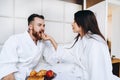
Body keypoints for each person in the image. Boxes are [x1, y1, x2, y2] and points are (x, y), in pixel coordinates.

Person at [42, 10, 120, 80]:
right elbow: (67, 53)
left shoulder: (95, 43)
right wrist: (51, 39)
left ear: (82, 22)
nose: (72, 24)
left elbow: (97, 73)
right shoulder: (81, 39)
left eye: (74, 21)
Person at [0, 14, 57, 80]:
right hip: (17, 77)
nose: (42, 28)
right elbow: (7, 69)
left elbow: (54, 59)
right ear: (30, 27)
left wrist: (51, 39)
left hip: (32, 76)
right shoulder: (14, 40)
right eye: (39, 25)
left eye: (44, 25)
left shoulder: (42, 43)